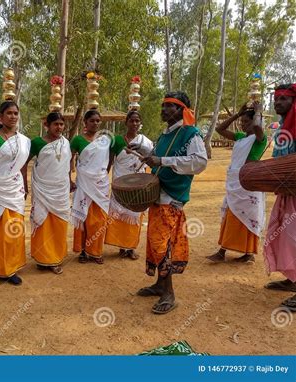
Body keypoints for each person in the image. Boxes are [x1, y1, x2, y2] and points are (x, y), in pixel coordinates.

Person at [136, 91, 207, 314]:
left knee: (161, 245)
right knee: (157, 243)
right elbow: (159, 155)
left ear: (181, 110)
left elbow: (199, 162)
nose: (164, 109)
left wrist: (163, 160)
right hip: (158, 195)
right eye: (164, 105)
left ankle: (169, 294)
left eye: (170, 106)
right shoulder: (165, 134)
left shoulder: (191, 134)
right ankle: (159, 285)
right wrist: (145, 152)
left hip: (172, 197)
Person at [206, 101, 267, 264]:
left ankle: (248, 253)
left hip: (249, 183)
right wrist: (238, 114)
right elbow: (219, 129)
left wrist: (258, 112)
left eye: (247, 122)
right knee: (230, 213)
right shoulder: (240, 137)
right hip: (235, 182)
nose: (244, 125)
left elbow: (258, 128)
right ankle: (222, 250)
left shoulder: (259, 138)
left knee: (249, 216)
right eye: (242, 122)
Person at [0, 101, 30, 286]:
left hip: (14, 189)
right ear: (0, 117)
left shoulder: (24, 141)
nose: (13, 116)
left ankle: (10, 268)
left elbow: (23, 166)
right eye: (9, 113)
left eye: (16, 113)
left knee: (13, 229)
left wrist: (25, 186)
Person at [22, 112, 72, 274]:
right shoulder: (36, 142)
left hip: (61, 191)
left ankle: (54, 258)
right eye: (55, 124)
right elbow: (23, 164)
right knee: (42, 222)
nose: (59, 127)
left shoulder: (66, 143)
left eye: (61, 124)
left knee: (59, 223)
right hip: (43, 189)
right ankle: (43, 258)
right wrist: (24, 184)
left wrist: (70, 180)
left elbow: (67, 164)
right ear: (47, 125)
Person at [263, 83, 296, 311]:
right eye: (276, 99)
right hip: (288, 191)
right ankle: (292, 280)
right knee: (287, 236)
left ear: (293, 102)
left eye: (283, 99)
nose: (277, 103)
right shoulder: (284, 126)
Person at [105, 110, 153, 259]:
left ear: (140, 123)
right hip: (120, 183)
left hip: (138, 184)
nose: (134, 123)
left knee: (135, 213)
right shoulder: (117, 141)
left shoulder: (146, 142)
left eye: (137, 121)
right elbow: (109, 162)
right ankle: (121, 246)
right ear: (126, 122)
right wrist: (103, 178)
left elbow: (150, 160)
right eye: (131, 120)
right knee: (119, 215)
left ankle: (131, 248)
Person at [70, 110, 112, 264]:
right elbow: (69, 157)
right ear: (85, 122)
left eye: (98, 121)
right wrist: (69, 178)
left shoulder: (105, 141)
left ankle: (95, 251)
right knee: (83, 215)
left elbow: (110, 158)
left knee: (100, 219)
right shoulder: (77, 140)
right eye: (92, 120)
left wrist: (104, 173)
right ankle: (82, 251)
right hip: (84, 183)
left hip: (100, 184)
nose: (95, 123)